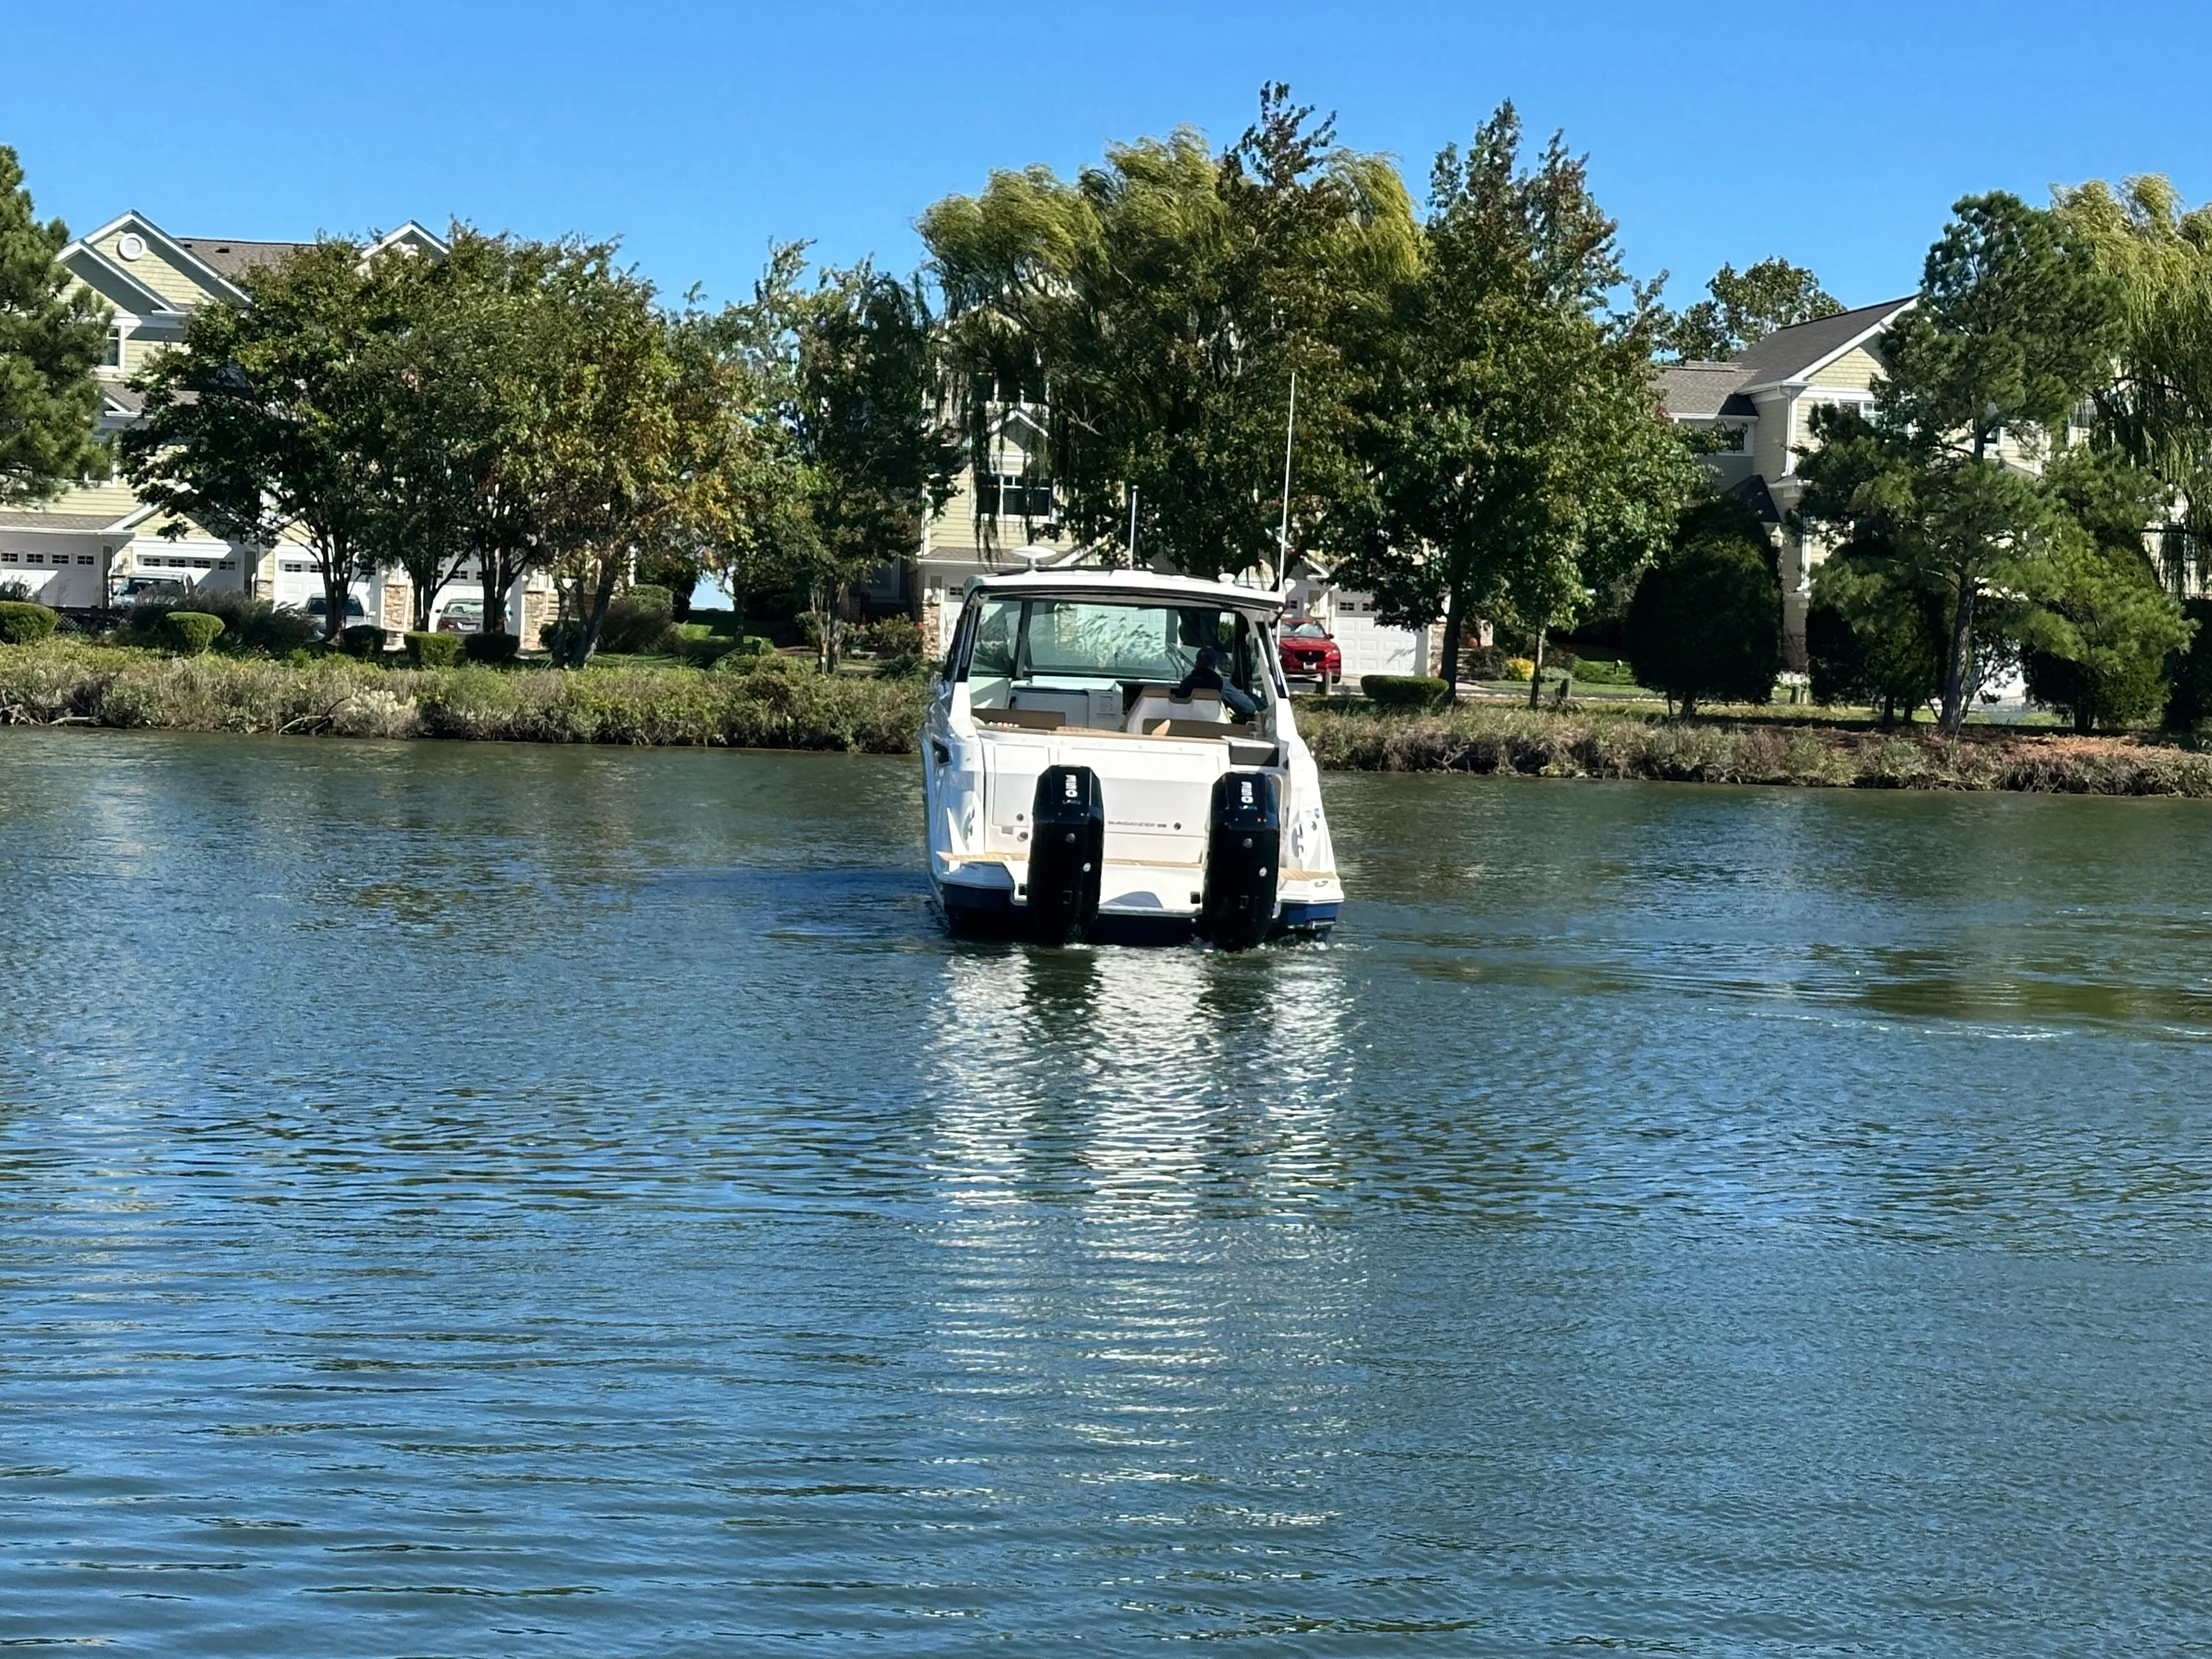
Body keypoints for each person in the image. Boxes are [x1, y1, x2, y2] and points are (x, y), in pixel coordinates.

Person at [1171, 647, 1257, 718]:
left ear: (1196, 663)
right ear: (1215, 665)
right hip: (1216, 732)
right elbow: (1249, 708)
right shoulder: (1221, 684)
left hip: (1186, 730)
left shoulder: (1185, 683)